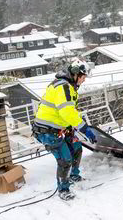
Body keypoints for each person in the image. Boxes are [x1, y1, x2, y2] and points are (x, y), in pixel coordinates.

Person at [32, 60, 97, 201]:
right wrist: (84, 129)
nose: (84, 80)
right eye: (83, 77)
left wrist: (71, 127)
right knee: (65, 159)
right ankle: (63, 189)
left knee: (77, 147)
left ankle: (73, 175)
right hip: (47, 131)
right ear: (76, 74)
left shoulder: (68, 86)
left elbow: (67, 112)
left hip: (60, 127)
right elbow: (67, 112)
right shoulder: (63, 87)